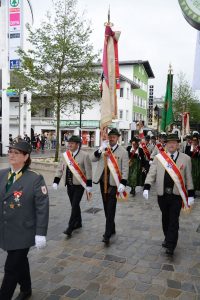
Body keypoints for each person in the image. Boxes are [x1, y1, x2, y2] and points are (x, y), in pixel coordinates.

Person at [0, 139, 49, 300]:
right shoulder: (2, 174)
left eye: (16, 152)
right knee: (20, 262)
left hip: (24, 231)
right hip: (7, 229)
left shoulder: (35, 178)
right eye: (10, 151)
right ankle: (26, 289)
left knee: (10, 268)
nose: (11, 155)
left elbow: (42, 207)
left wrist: (40, 233)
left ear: (26, 156)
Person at [143, 133, 194, 256]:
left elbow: (188, 178)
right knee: (165, 218)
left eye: (174, 143)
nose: (171, 145)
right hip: (162, 194)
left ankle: (171, 244)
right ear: (165, 144)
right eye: (169, 142)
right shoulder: (159, 158)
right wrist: (147, 186)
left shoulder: (186, 159)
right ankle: (167, 237)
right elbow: (151, 173)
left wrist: (191, 194)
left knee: (173, 220)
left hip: (177, 195)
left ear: (178, 145)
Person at [91, 128, 129, 245]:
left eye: (114, 137)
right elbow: (93, 158)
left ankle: (107, 234)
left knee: (111, 207)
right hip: (103, 182)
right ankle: (111, 227)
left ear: (118, 138)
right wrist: (100, 150)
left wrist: (123, 182)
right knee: (106, 207)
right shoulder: (104, 148)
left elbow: (125, 169)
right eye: (110, 136)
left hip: (114, 183)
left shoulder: (123, 152)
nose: (112, 138)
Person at [52, 135, 92, 237]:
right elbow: (60, 169)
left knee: (74, 205)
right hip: (69, 185)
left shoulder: (84, 155)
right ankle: (78, 222)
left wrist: (89, 184)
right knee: (74, 205)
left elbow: (88, 170)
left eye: (72, 143)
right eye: (68, 143)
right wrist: (56, 181)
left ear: (77, 145)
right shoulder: (65, 155)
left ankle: (70, 227)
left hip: (79, 185)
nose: (69, 145)